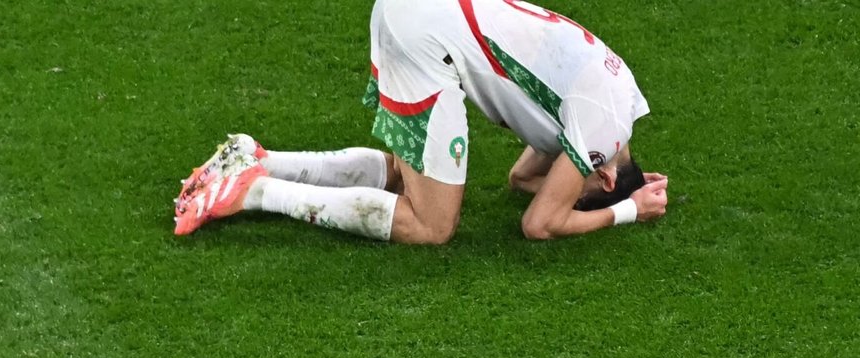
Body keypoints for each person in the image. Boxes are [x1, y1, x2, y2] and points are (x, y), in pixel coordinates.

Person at [174, 0, 669, 243]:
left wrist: (618, 186)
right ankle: (254, 192)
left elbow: (522, 179)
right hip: (425, 38)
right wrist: (627, 210)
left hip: (417, 13)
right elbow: (540, 222)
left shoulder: (616, 98)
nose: (570, 191)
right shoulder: (600, 135)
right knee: (431, 223)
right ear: (604, 172)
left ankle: (256, 158)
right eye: (585, 188)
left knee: (405, 170)